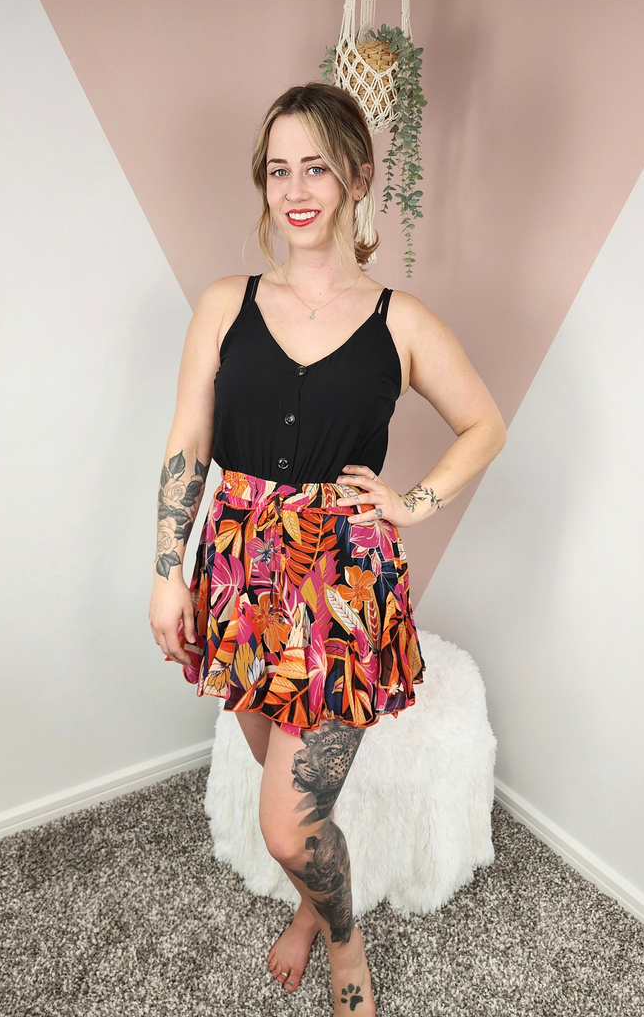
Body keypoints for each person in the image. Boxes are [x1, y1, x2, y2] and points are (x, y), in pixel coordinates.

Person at [148, 81, 506, 1016]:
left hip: (340, 587)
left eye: (315, 167)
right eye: (277, 170)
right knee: (290, 798)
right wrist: (165, 575)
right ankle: (312, 904)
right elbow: (189, 441)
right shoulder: (225, 303)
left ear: (357, 177)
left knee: (286, 822)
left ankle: (343, 942)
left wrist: (409, 503)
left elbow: (484, 425)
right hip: (235, 576)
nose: (295, 190)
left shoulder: (401, 320)